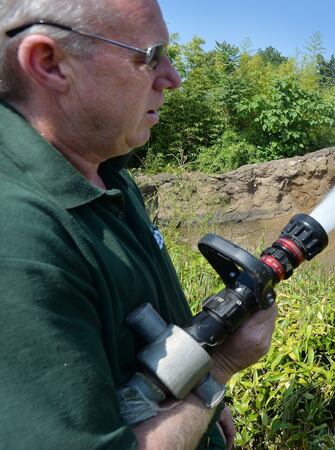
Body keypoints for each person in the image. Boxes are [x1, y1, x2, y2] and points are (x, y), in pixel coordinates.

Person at [0, 1, 278, 448]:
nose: (172, 78)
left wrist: (203, 394)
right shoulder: (17, 237)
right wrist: (220, 369)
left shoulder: (105, 170)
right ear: (49, 64)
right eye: (150, 56)